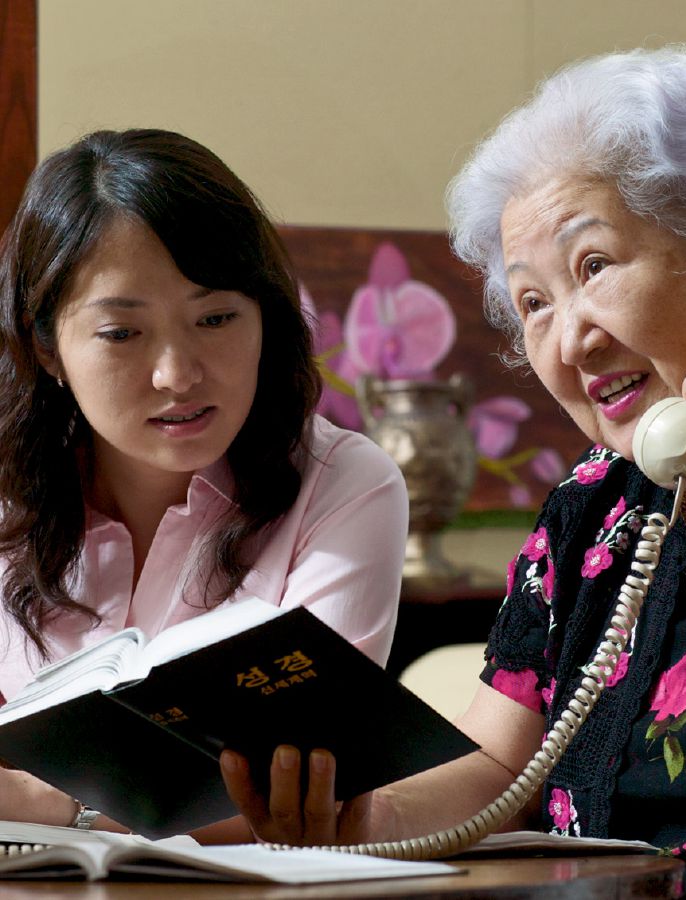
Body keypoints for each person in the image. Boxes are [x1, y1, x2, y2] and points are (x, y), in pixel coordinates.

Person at [221, 47, 686, 896]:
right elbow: (499, 770)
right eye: (533, 302)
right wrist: (355, 825)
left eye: (594, 267)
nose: (568, 338)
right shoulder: (594, 505)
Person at [0, 129, 408, 835]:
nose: (177, 375)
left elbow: (293, 794)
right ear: (47, 348)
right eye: (122, 334)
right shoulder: (9, 501)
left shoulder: (344, 485)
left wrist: (56, 804)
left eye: (216, 318)